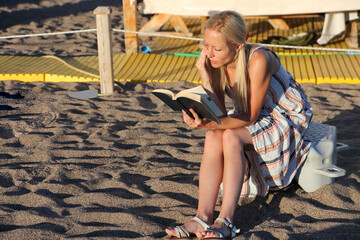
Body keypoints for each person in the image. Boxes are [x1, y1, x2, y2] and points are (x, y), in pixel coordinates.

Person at [165, 11, 313, 239]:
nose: (209, 53)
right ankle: (202, 217)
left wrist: (208, 123)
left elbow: (251, 118)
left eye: (217, 48)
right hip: (252, 114)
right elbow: (222, 115)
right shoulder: (216, 63)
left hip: (284, 114)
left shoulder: (259, 59)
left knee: (230, 137)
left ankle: (225, 220)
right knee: (214, 136)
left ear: (238, 45)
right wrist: (205, 76)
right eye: (206, 45)